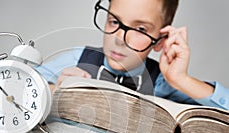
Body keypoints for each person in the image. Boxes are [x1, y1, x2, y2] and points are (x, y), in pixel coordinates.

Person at [35, 0, 229, 110]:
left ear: (160, 41)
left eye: (140, 29)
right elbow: (12, 86)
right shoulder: (78, 59)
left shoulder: (162, 83)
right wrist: (56, 90)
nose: (119, 38)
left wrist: (181, 79)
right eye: (114, 22)